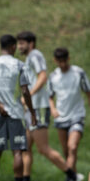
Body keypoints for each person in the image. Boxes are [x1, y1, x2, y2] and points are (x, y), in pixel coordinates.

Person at [17, 31, 77, 181]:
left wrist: (28, 96)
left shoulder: (35, 55)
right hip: (31, 108)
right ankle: (25, 178)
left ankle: (71, 174)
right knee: (25, 148)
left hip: (38, 108)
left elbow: (43, 76)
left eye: (22, 43)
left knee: (43, 148)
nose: (19, 46)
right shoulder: (29, 58)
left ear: (31, 44)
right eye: (18, 43)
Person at [0, 34, 36, 181]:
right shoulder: (19, 65)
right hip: (16, 114)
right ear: (13, 47)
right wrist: (32, 111)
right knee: (17, 152)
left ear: (0, 47)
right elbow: (24, 91)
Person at [48, 47, 89, 180]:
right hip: (61, 118)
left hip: (77, 116)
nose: (63, 64)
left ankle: (69, 179)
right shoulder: (53, 76)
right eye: (60, 61)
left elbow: (88, 92)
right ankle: (74, 176)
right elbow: (49, 96)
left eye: (65, 61)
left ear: (69, 58)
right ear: (55, 61)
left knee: (72, 147)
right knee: (66, 152)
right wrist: (53, 109)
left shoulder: (78, 73)